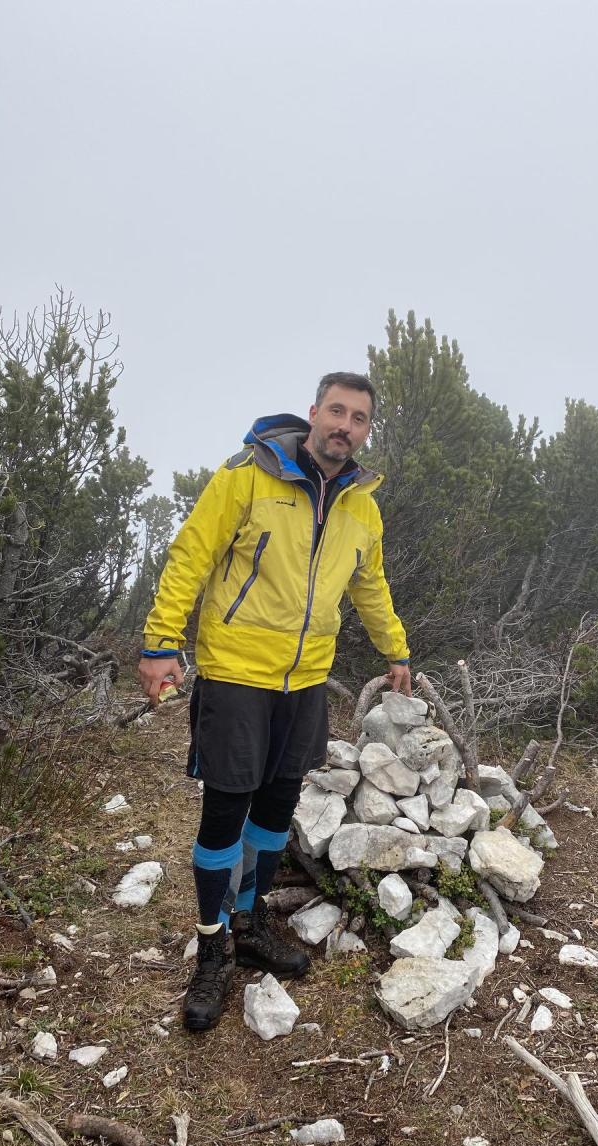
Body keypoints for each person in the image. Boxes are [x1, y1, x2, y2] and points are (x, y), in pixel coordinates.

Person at [139, 372, 410, 1031]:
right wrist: (160, 641)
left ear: (368, 429)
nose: (345, 426)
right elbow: (191, 555)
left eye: (359, 418)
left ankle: (250, 923)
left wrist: (396, 650)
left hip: (306, 680)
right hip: (236, 672)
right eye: (336, 411)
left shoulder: (361, 505)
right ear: (313, 412)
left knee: (275, 809)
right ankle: (212, 950)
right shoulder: (248, 474)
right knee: (224, 814)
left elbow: (370, 585)